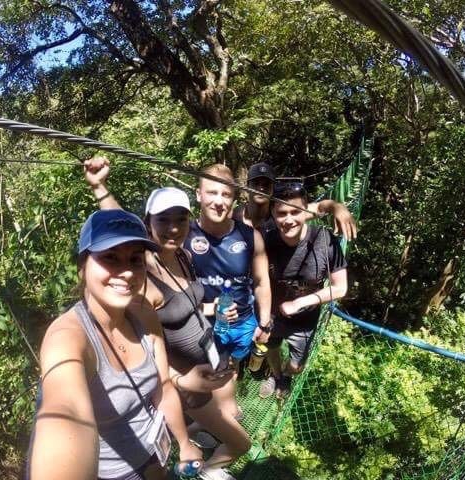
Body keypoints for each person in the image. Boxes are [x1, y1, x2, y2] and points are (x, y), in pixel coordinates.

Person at [84, 159, 250, 480]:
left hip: (210, 360)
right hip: (186, 382)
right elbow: (142, 352)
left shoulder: (185, 257)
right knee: (241, 443)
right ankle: (208, 473)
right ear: (148, 224)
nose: (173, 228)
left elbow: (187, 308)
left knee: (234, 412)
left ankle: (201, 431)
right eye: (163, 221)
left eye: (180, 219)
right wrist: (100, 187)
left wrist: (214, 312)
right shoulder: (145, 272)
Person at [28, 209, 202, 480]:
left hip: (156, 455)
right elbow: (66, 414)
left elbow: (163, 387)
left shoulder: (144, 314)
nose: (127, 273)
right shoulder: (67, 338)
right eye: (110, 258)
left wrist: (185, 443)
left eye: (135, 259)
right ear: (82, 266)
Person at [259, 182, 348, 399]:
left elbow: (340, 288)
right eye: (281, 213)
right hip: (272, 313)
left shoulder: (325, 241)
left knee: (298, 364)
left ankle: (288, 375)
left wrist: (301, 302)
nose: (288, 220)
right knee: (272, 346)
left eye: (296, 212)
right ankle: (276, 375)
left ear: (306, 210)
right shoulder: (265, 237)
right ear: (273, 213)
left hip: (305, 318)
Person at [186, 163, 273, 365]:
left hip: (243, 322)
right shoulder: (183, 236)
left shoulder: (250, 236)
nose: (219, 201)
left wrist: (265, 323)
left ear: (234, 199)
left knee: (233, 366)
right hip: (201, 323)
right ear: (198, 194)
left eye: (226, 194)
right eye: (212, 193)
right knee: (208, 379)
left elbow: (261, 282)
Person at [232, 162, 358, 240]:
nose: (260, 188)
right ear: (247, 186)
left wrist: (338, 208)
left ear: (273, 187)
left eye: (266, 184)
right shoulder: (234, 215)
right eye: (256, 183)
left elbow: (319, 207)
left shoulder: (281, 212)